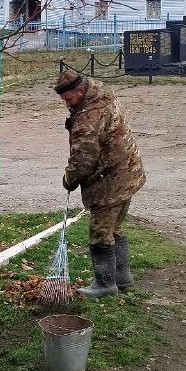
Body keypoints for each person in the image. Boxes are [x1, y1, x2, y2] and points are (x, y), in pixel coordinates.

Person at [54, 66, 146, 298]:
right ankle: (122, 277)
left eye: (69, 98)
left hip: (111, 180)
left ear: (81, 89)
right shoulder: (102, 92)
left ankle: (105, 284)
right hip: (129, 172)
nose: (67, 104)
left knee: (100, 232)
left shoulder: (88, 116)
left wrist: (69, 179)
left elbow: (83, 158)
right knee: (114, 228)